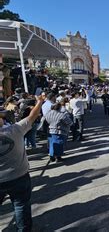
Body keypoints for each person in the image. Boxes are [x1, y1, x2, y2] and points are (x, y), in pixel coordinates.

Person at [0, 94, 45, 231]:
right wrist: (40, 102)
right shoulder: (15, 130)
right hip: (19, 177)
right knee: (21, 205)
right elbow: (33, 116)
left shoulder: (14, 129)